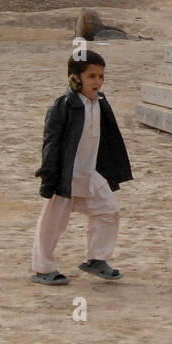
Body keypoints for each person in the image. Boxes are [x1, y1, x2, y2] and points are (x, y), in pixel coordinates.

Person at [30, 50, 133, 285]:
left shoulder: (100, 103)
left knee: (109, 211)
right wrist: (48, 176)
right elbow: (51, 143)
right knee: (53, 223)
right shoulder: (63, 106)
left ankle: (97, 259)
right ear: (75, 78)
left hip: (91, 174)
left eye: (101, 76)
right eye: (91, 76)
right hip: (65, 175)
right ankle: (43, 268)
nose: (98, 81)